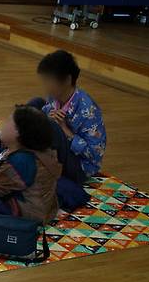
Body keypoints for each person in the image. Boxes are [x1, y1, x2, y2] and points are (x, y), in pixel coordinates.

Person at [28, 50, 106, 184]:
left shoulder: (88, 110)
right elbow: (46, 110)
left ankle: (27, 154)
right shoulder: (55, 96)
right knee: (35, 104)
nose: (45, 86)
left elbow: (94, 154)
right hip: (58, 151)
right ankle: (24, 149)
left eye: (49, 81)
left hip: (80, 167)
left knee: (49, 127)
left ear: (68, 80)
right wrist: (49, 116)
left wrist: (66, 131)